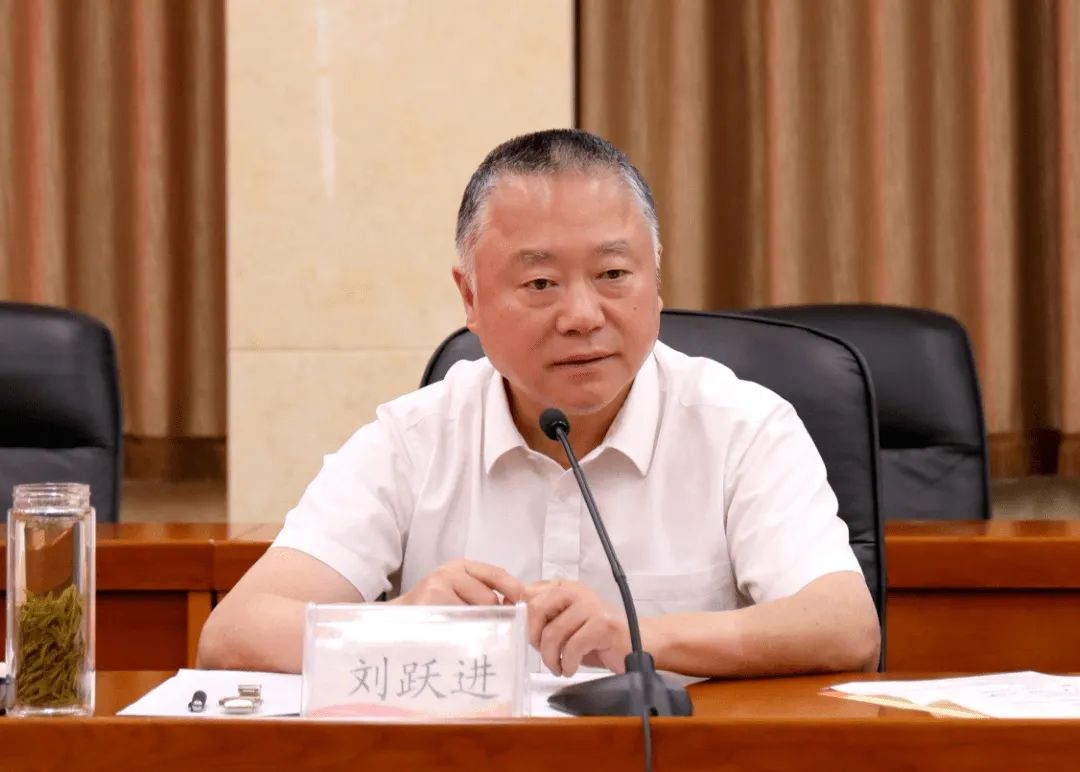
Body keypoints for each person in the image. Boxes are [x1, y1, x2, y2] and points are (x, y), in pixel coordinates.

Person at [198, 129, 880, 677]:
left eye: (613, 274)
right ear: (470, 298)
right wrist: (403, 624)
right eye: (541, 283)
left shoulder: (743, 427)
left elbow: (845, 625)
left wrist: (638, 638)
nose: (582, 315)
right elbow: (233, 635)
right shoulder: (412, 439)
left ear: (656, 277)